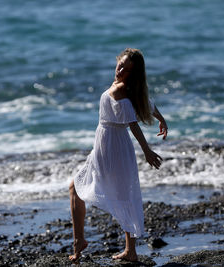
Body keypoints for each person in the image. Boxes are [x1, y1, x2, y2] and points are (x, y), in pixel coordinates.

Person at [68, 48, 168, 262]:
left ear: (133, 74)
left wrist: (147, 151)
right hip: (107, 144)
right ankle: (126, 250)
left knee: (95, 191)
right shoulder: (129, 88)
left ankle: (81, 243)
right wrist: (160, 117)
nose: (120, 70)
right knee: (122, 194)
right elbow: (145, 103)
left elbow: (133, 124)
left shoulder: (121, 89)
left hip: (113, 147)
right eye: (120, 64)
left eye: (126, 69)